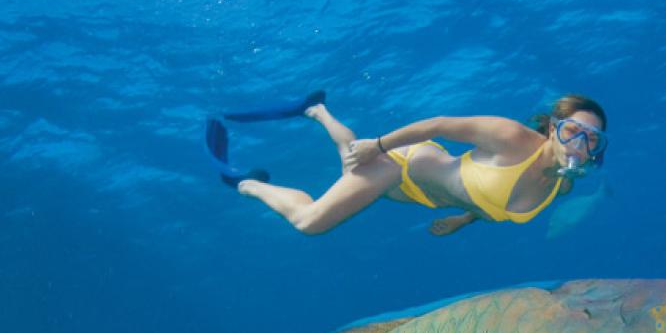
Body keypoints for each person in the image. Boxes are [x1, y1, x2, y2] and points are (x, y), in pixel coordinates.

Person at [214, 93, 607, 237]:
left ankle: (317, 111)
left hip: (410, 193)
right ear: (554, 127)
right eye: (574, 130)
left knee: (349, 158)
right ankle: (247, 184)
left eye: (592, 139)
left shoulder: (562, 185)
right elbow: (439, 125)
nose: (581, 143)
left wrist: (463, 220)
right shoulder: (512, 137)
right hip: (400, 166)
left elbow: (494, 200)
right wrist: (379, 146)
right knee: (311, 222)